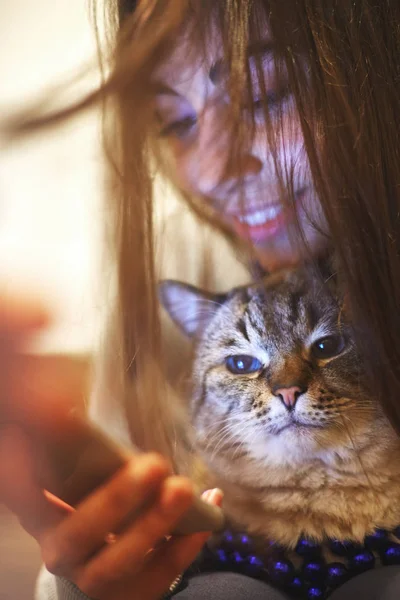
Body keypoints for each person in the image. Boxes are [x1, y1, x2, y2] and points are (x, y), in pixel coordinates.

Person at [2, 0, 400, 598]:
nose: (212, 171)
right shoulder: (169, 265)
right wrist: (91, 577)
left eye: (265, 93)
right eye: (174, 122)